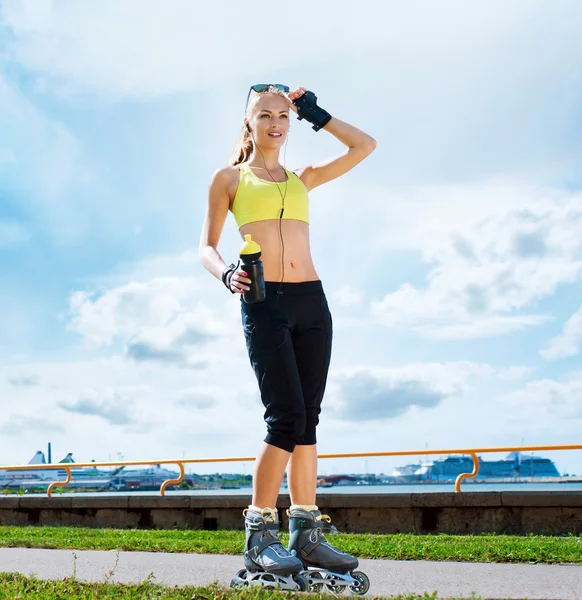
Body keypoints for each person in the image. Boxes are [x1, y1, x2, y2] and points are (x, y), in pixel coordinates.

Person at [199, 84, 375, 592]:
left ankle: (304, 530)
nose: (275, 123)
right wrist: (227, 273)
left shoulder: (303, 179)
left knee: (308, 420)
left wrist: (316, 113)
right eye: (264, 115)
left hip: (312, 302)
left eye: (284, 115)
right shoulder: (229, 178)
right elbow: (206, 247)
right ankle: (259, 530)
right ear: (248, 123)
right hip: (264, 302)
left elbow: (364, 146)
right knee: (284, 417)